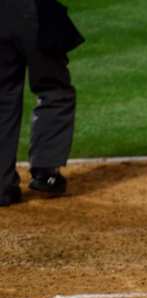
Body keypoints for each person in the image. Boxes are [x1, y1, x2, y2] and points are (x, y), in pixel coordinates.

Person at [0, 0, 84, 207]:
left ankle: (1, 186)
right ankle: (46, 172)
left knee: (2, 98)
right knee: (54, 89)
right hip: (32, 11)